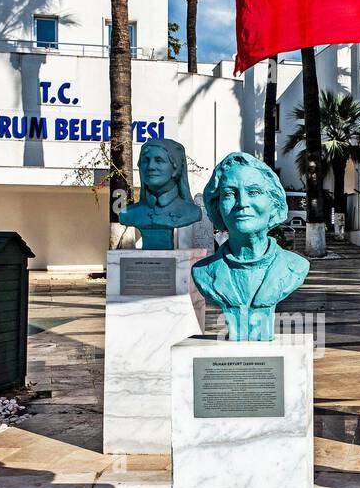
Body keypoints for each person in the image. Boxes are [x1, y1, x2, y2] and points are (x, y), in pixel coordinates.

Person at [193, 152, 309, 341]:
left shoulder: (295, 266)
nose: (242, 203)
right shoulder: (204, 271)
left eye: (254, 192)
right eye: (230, 194)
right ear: (217, 206)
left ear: (274, 203)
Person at [119, 138, 201, 250]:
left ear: (175, 169)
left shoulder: (191, 212)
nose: (150, 167)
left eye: (159, 160)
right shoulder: (128, 213)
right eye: (146, 161)